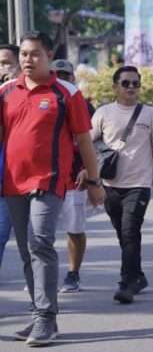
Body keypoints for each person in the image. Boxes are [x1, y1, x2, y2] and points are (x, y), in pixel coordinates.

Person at [1, 31, 106, 346]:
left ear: (49, 56)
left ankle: (46, 318)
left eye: (35, 54)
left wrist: (94, 182)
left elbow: (84, 140)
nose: (28, 60)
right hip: (12, 182)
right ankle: (40, 315)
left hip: (49, 181)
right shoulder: (6, 91)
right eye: (24, 54)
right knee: (26, 250)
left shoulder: (66, 92)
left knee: (40, 243)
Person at [91, 65, 153, 303]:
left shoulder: (149, 114)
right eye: (125, 83)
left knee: (129, 231)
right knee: (124, 234)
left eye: (135, 83)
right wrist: (88, 173)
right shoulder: (103, 113)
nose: (131, 87)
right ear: (115, 86)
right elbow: (88, 144)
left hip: (139, 184)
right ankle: (138, 275)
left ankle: (126, 282)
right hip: (110, 184)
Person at [49, 60, 96, 295]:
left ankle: (73, 274)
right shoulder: (44, 100)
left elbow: (94, 142)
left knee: (75, 229)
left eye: (65, 75)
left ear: (73, 78)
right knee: (40, 232)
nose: (61, 79)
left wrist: (89, 171)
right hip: (47, 178)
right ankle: (41, 275)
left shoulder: (84, 105)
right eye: (56, 75)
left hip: (75, 178)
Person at [0, 43, 19, 273]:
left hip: (26, 181)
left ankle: (36, 284)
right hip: (2, 181)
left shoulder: (25, 94)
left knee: (34, 239)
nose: (2, 68)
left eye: (6, 63)